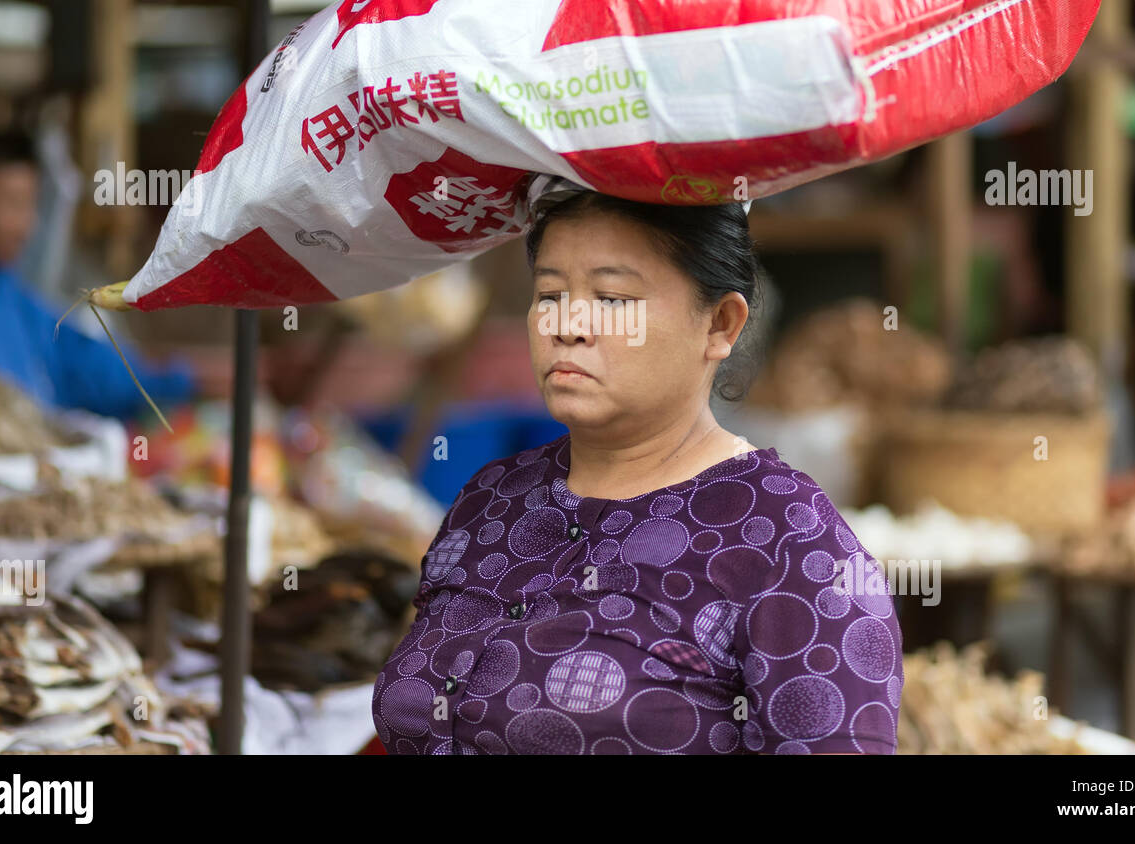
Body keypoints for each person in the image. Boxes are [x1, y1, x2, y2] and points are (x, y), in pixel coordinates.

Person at [370, 186, 904, 754]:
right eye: (549, 294)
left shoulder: (792, 543)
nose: (566, 325)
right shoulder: (491, 501)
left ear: (720, 324)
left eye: (612, 298)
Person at [0, 128, 196, 420]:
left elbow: (83, 363)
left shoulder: (6, 292)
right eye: (12, 204)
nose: (26, 226)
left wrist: (178, 381)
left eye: (30, 206)